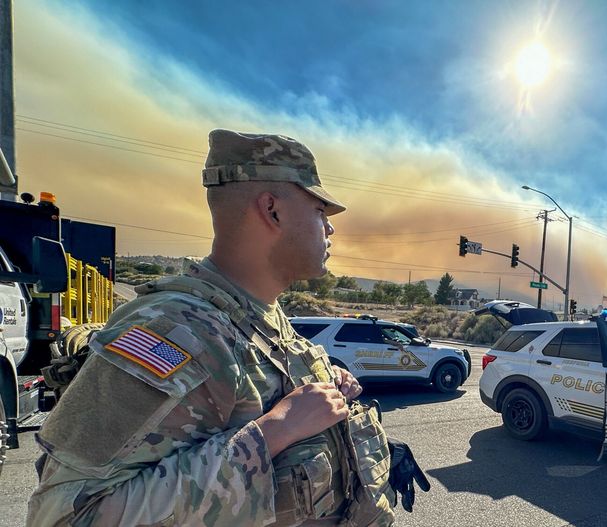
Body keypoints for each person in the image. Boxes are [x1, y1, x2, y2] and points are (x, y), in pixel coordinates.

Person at [28, 130, 395, 526]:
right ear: (273, 210)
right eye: (320, 211)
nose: (330, 228)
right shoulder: (173, 329)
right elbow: (67, 515)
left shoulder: (264, 317)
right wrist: (273, 432)